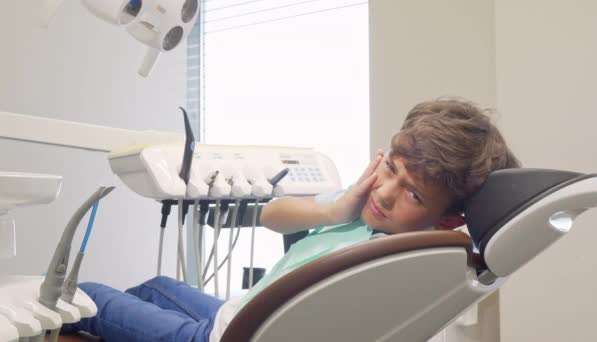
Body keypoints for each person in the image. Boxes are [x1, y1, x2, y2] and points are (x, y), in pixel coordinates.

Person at [62, 98, 520, 342]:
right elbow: (272, 214)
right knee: (155, 286)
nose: (385, 191)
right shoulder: (364, 205)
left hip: (224, 337)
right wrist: (333, 210)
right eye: (391, 169)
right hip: (232, 314)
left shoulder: (390, 259)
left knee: (82, 295)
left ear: (446, 220)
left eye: (413, 194)